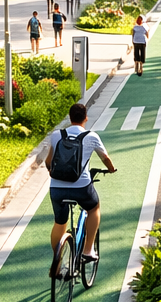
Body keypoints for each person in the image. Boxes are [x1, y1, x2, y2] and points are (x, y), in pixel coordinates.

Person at [46, 102, 116, 276]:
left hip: (57, 188)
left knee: (59, 222)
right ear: (86, 118)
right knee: (94, 208)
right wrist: (111, 169)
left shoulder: (57, 135)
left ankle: (56, 263)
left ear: (70, 118)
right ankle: (88, 250)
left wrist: (56, 175)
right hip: (81, 186)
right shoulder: (91, 136)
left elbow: (48, 162)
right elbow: (105, 158)